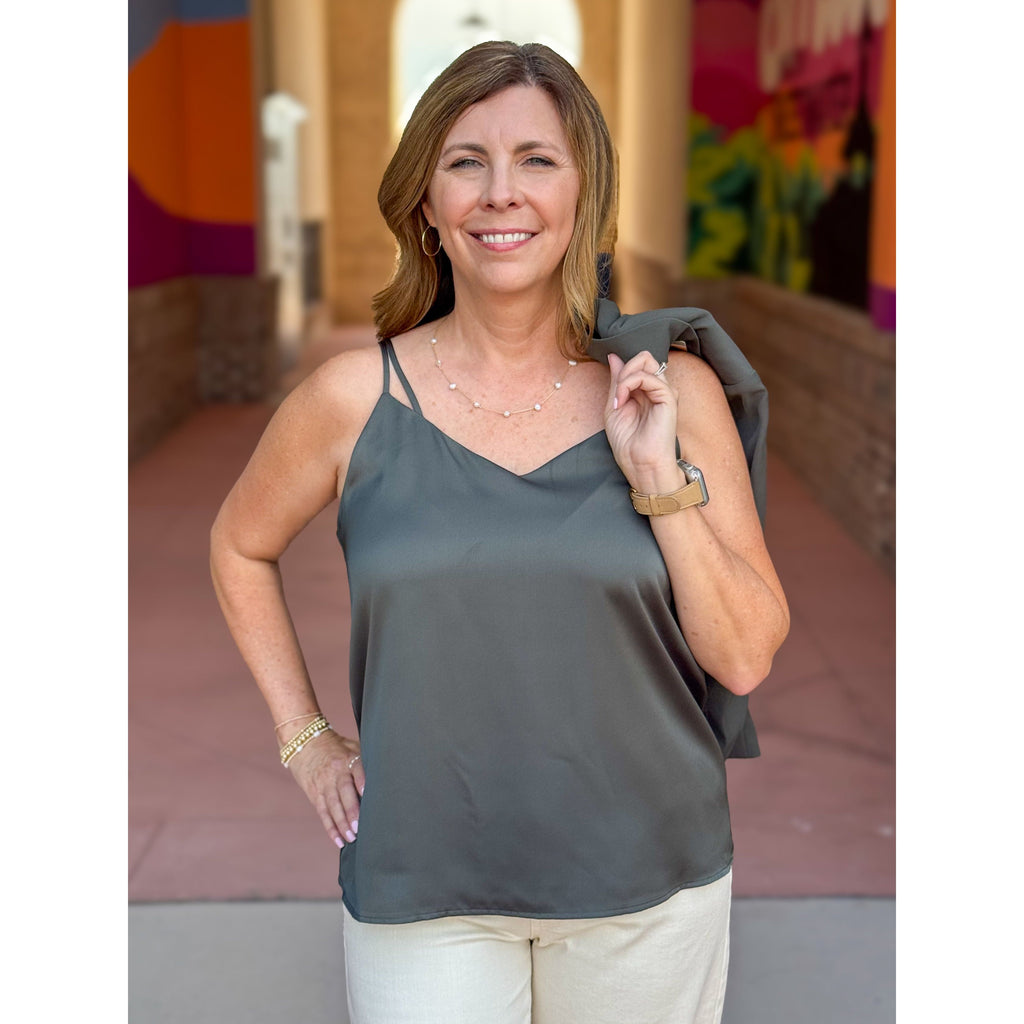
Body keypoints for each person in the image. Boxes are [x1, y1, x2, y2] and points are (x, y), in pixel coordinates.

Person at [210, 40, 789, 1024]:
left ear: (583, 195)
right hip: (423, 881)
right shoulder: (353, 398)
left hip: (647, 882)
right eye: (465, 161)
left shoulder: (672, 392)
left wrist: (658, 477)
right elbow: (238, 544)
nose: (500, 193)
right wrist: (305, 738)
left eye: (537, 159)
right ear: (426, 204)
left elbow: (741, 656)